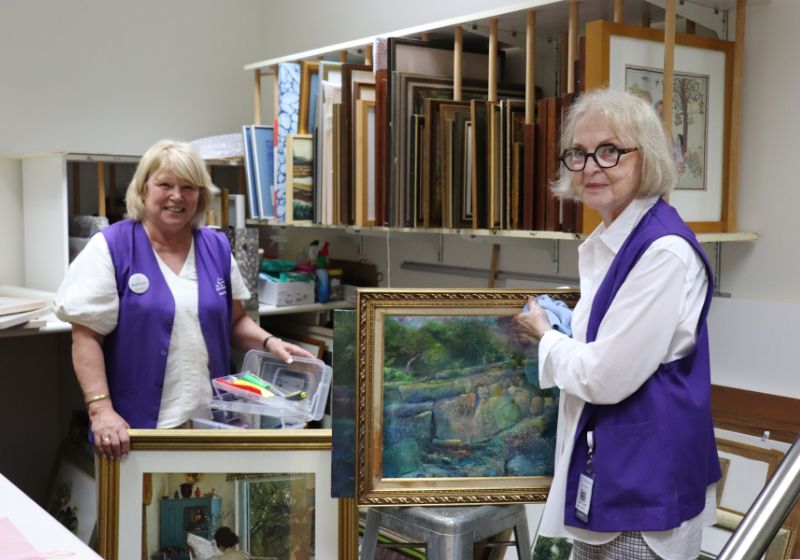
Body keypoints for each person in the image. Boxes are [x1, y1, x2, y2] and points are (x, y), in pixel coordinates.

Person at [513, 89, 720, 560]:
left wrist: (546, 337)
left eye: (610, 151)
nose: (590, 167)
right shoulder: (615, 239)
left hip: (644, 494)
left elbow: (604, 376)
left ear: (645, 159)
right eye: (579, 154)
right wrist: (573, 330)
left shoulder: (662, 251)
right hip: (619, 477)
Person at [53, 140, 314, 458]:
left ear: (200, 195)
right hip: (137, 427)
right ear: (144, 188)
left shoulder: (216, 247)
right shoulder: (111, 247)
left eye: (188, 187)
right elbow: (86, 336)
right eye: (165, 184)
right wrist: (100, 410)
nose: (177, 196)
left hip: (212, 420)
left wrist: (271, 342)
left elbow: (235, 321)